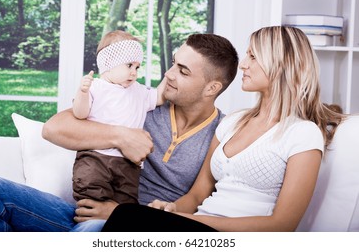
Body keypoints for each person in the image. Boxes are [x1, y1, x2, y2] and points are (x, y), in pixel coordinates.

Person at [0, 32, 239, 231]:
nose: (168, 74)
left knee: (89, 233)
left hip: (138, 227)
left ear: (211, 88)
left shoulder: (221, 132)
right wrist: (121, 135)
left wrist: (123, 213)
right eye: (173, 63)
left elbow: (195, 201)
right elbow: (54, 128)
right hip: (85, 212)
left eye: (182, 71)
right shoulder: (137, 100)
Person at [98, 26, 346, 232]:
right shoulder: (232, 123)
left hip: (224, 235)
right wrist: (170, 210)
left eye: (253, 57)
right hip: (199, 226)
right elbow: (196, 197)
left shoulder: (302, 133)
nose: (243, 65)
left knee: (124, 218)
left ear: (280, 66)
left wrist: (185, 221)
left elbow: (282, 225)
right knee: (125, 219)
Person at [71, 30, 165, 205]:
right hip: (96, 156)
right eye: (129, 65)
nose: (134, 73)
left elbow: (159, 97)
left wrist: (169, 75)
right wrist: (83, 92)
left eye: (137, 67)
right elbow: (80, 113)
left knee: (126, 201)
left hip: (128, 163)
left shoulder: (138, 90)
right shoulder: (96, 87)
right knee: (91, 194)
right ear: (109, 63)